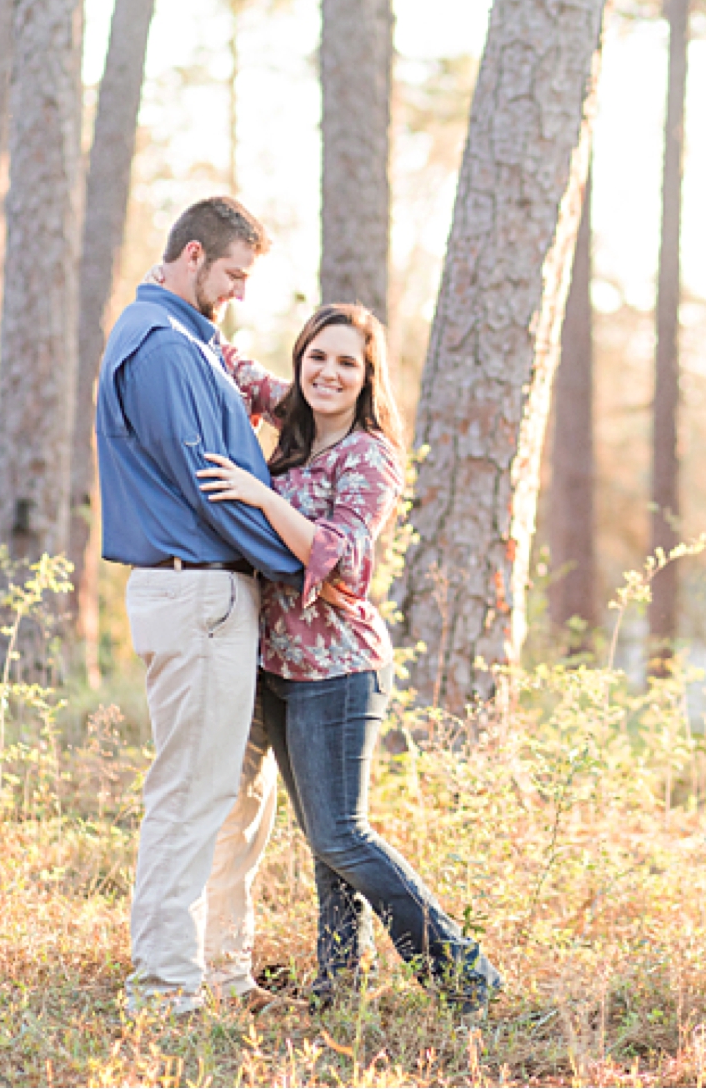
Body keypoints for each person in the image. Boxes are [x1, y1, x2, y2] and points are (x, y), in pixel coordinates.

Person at [197, 303, 504, 1015]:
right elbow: (240, 370)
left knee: (342, 833)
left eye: (347, 363)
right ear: (302, 362)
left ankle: (465, 975)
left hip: (339, 672)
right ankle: (339, 990)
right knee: (323, 843)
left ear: (368, 378)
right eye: (317, 357)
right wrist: (183, 302)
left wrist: (259, 497)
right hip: (279, 667)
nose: (328, 372)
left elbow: (346, 560)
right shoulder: (296, 428)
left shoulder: (369, 455)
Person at [95, 196, 305, 1017]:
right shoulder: (160, 349)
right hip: (197, 587)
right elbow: (210, 485)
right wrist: (299, 561)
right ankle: (164, 989)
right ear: (191, 256)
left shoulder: (191, 341)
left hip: (217, 592)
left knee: (239, 798)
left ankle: (223, 973)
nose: (240, 293)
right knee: (190, 793)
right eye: (233, 275)